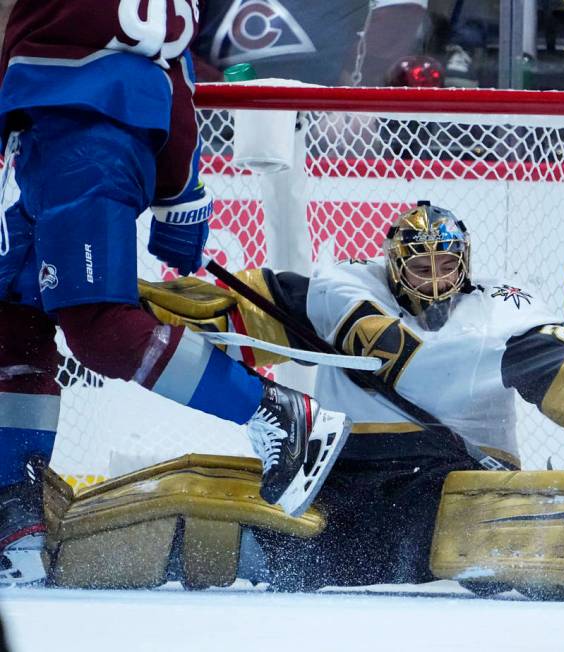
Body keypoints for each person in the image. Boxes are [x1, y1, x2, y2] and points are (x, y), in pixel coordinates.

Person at [136, 201, 564, 590]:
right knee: (283, 551)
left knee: (448, 543)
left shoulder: (500, 313)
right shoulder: (337, 287)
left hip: (454, 480)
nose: (435, 279)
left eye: (446, 266)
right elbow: (238, 311)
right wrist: (137, 313)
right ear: (393, 265)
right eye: (420, 267)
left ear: (464, 264)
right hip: (346, 473)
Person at [0, 0, 349, 586]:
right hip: (49, 133)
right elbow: (173, 62)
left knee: (102, 330)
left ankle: (276, 412)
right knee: (12, 322)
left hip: (81, 134)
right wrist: (182, 190)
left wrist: (181, 190)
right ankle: (16, 517)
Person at [193, 0, 429, 85]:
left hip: (325, 117)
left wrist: (348, 94)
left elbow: (396, 21)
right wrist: (215, 83)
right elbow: (171, 41)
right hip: (210, 113)